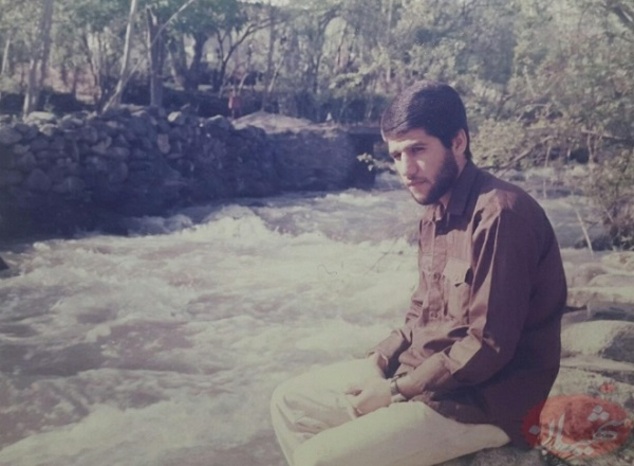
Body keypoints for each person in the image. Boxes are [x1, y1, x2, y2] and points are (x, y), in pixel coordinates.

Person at [270, 81, 567, 466]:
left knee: (317, 459)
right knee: (289, 402)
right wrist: (379, 360)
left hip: (483, 404)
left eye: (417, 150)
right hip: (429, 382)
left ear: (458, 142)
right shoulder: (435, 212)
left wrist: (396, 390)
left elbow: (488, 345)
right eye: (396, 155)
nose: (406, 169)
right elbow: (420, 315)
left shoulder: (501, 216)